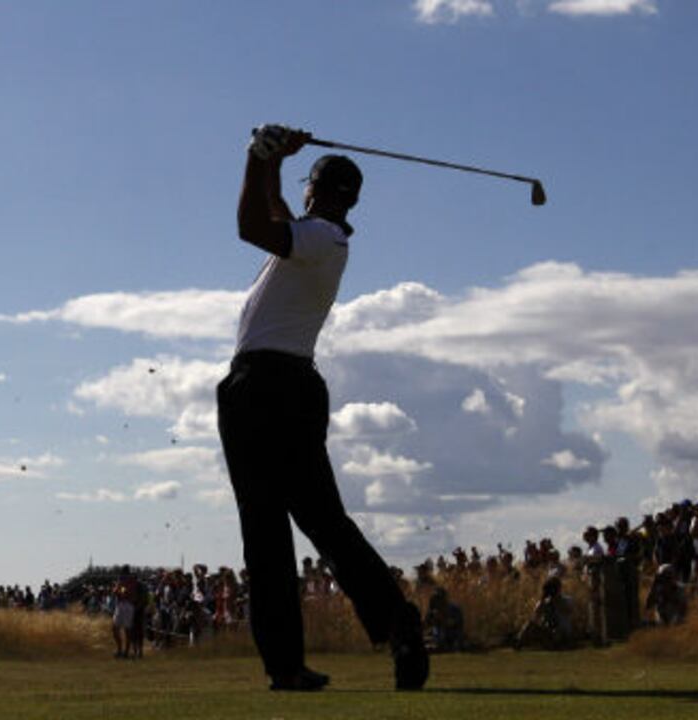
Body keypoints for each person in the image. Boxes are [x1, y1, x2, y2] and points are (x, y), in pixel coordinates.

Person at [217, 124, 427, 692]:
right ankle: (372, 633)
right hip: (281, 385)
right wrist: (270, 162)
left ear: (318, 191)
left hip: (267, 387)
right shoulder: (319, 236)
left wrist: (257, 156)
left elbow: (251, 225)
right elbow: (274, 209)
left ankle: (381, 628)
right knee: (315, 523)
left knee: (275, 530)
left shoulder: (321, 237)